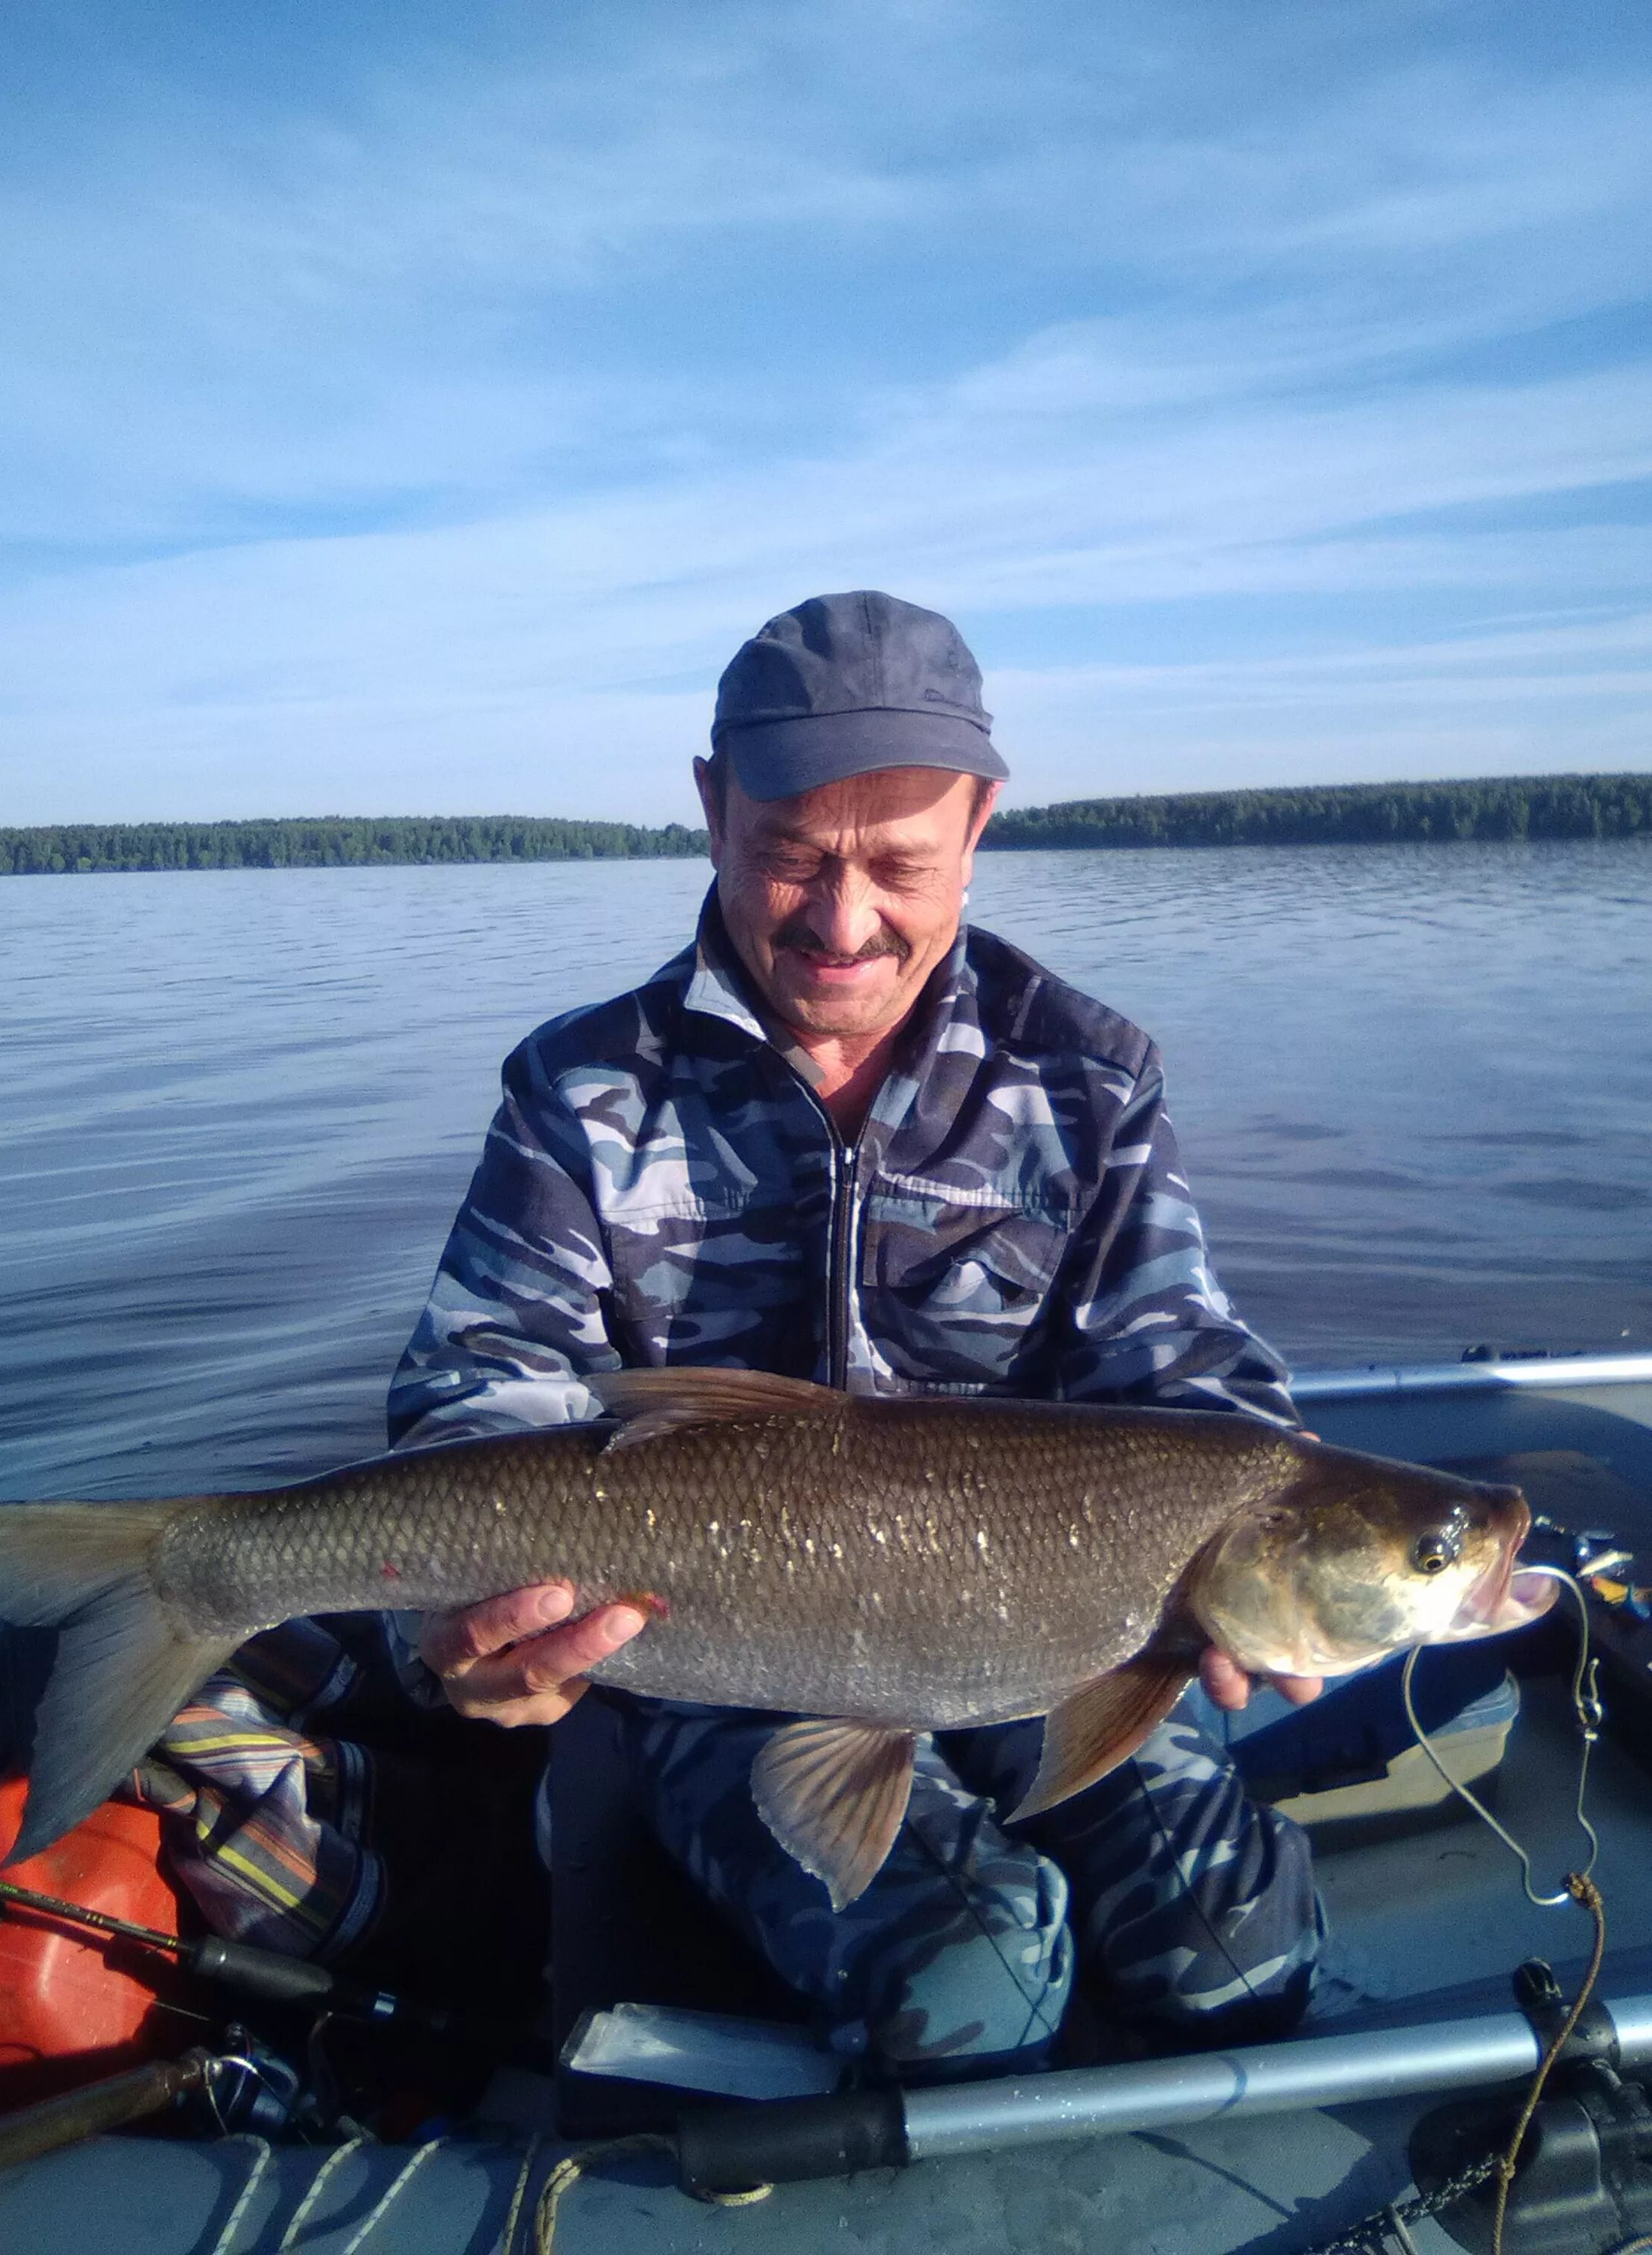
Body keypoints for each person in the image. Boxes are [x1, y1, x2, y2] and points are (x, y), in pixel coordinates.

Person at [386, 589, 1324, 2075]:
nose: (840, 924)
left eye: (897, 863)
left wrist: (1275, 1557)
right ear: (711, 807)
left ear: (983, 821)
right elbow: (479, 1395)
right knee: (972, 1985)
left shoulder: (1084, 1075)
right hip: (719, 1657)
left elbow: (1187, 1378)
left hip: (1061, 1640)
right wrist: (473, 1632)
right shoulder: (579, 1092)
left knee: (1238, 1959)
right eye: (789, 857)